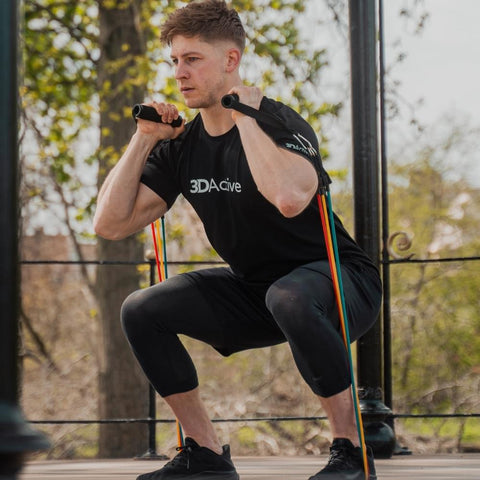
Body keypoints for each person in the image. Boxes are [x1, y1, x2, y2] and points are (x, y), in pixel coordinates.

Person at [93, 1, 382, 479]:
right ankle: (205, 454)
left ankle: (352, 453)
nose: (180, 73)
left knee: (288, 294)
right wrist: (144, 139)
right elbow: (110, 223)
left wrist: (245, 115)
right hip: (257, 291)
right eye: (175, 61)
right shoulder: (180, 145)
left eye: (193, 59)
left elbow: (290, 198)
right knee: (141, 309)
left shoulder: (276, 122)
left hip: (339, 284)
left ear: (231, 61)